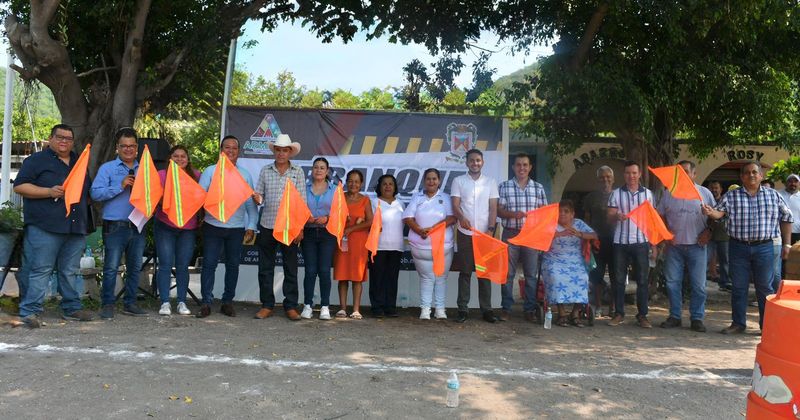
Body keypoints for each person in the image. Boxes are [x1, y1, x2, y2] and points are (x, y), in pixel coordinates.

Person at [13, 124, 96, 327]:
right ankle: (30, 312)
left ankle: (71, 308)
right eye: (60, 137)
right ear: (50, 138)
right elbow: (20, 186)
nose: (64, 141)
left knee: (69, 270)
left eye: (68, 138)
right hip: (45, 226)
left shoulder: (79, 162)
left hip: (75, 227)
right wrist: (48, 192)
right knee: (41, 269)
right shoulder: (36, 160)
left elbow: (87, 192)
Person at [703, 161, 793, 333]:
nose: (751, 175)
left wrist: (787, 243)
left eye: (754, 172)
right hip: (738, 247)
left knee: (765, 288)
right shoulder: (731, 196)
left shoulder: (773, 195)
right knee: (738, 286)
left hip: (764, 248)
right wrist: (710, 212)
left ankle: (766, 326)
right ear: (742, 176)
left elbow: (787, 219)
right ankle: (738, 324)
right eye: (747, 173)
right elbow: (718, 214)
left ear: (761, 176)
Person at [197, 135, 258, 318]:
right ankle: (206, 302)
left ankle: (227, 302)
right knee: (209, 265)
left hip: (236, 228)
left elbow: (250, 204)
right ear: (221, 151)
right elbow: (200, 196)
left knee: (233, 266)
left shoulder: (245, 175)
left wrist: (251, 226)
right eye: (227, 148)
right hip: (212, 225)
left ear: (238, 152)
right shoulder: (210, 171)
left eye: (234, 148)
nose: (230, 151)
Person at [91, 127, 148, 319]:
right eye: (124, 146)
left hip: (138, 224)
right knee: (111, 267)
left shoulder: (146, 169)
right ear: (117, 147)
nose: (128, 149)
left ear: (137, 148)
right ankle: (107, 304)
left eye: (132, 146)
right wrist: (120, 185)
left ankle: (129, 303)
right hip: (115, 225)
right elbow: (96, 193)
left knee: (134, 267)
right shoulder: (107, 168)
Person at [656, 161, 715, 333]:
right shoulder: (668, 194)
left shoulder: (704, 193)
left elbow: (716, 216)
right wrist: (667, 233)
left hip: (697, 246)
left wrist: (708, 231)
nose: (683, 174)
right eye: (679, 171)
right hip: (674, 247)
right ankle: (675, 316)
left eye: (686, 171)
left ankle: (697, 318)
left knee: (699, 285)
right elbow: (661, 215)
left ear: (694, 174)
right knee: (673, 283)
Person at [252, 134, 306, 321]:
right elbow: (260, 195)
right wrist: (257, 198)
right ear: (274, 151)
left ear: (290, 152)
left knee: (290, 267)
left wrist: (300, 228)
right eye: (278, 150)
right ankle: (267, 305)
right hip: (267, 224)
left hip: (290, 227)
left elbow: (302, 202)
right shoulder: (265, 171)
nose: (281, 153)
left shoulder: (297, 171)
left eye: (285, 150)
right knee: (265, 268)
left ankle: (290, 306)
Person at [497, 153, 548, 322]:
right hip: (510, 232)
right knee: (508, 273)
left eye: (525, 165)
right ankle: (506, 308)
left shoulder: (538, 188)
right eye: (518, 165)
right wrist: (514, 214)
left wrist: (541, 234)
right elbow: (499, 211)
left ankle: (529, 309)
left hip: (531, 235)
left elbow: (544, 213)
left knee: (531, 274)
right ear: (513, 167)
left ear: (530, 167)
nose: (522, 168)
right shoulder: (504, 186)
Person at [451, 149, 500, 324]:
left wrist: (491, 229)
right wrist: (461, 218)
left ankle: (486, 310)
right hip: (465, 234)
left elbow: (493, 208)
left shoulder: (490, 182)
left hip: (485, 234)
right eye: (472, 160)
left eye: (478, 160)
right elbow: (455, 205)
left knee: (484, 273)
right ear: (466, 163)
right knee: (465, 272)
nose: (475, 163)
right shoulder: (458, 181)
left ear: (483, 162)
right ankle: (462, 309)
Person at [607, 160, 655, 328]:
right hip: (620, 242)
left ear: (639, 174)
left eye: (634, 173)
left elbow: (651, 221)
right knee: (619, 280)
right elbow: (610, 215)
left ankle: (642, 315)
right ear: (624, 175)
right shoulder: (616, 193)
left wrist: (654, 245)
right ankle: (619, 313)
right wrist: (616, 216)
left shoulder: (648, 194)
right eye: (628, 173)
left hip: (641, 242)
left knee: (642, 280)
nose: (631, 176)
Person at [403, 168, 456, 320]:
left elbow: (452, 218)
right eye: (428, 179)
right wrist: (419, 230)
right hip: (421, 247)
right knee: (426, 278)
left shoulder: (445, 198)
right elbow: (408, 217)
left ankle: (440, 309)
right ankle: (425, 310)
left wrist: (434, 228)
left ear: (439, 181)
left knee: (440, 278)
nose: (431, 182)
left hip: (443, 246)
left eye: (434, 179)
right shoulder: (417, 197)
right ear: (424, 181)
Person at [154, 145, 200, 316]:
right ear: (170, 159)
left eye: (183, 156)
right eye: (176, 156)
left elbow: (202, 198)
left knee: (183, 266)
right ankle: (165, 302)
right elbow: (154, 198)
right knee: (165, 264)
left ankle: (181, 302)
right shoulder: (162, 175)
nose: (180, 159)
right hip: (165, 226)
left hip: (188, 228)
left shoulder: (196, 175)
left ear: (188, 160)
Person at [541, 200, 597, 327]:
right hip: (553, 258)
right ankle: (561, 313)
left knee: (583, 277)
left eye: (566, 211)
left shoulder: (578, 224)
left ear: (572, 214)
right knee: (556, 277)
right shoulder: (551, 224)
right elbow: (541, 238)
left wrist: (581, 234)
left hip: (575, 258)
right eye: (560, 211)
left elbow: (594, 235)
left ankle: (575, 313)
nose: (562, 214)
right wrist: (559, 234)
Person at [333, 170, 373, 319]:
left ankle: (356, 309)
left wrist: (351, 228)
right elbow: (333, 217)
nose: (353, 184)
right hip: (342, 241)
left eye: (356, 181)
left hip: (359, 242)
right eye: (350, 181)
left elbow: (370, 221)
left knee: (357, 277)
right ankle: (342, 308)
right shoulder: (340, 197)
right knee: (343, 276)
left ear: (361, 184)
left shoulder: (365, 200)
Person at [301, 157, 337, 320]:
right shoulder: (303, 188)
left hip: (327, 234)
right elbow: (297, 209)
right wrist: (305, 217)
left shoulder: (335, 190)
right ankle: (307, 305)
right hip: (308, 233)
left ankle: (324, 306)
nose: (319, 170)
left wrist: (328, 218)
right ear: (312, 170)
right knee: (310, 271)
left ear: (327, 171)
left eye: (322, 168)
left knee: (324, 271)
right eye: (316, 167)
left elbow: (340, 213)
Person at [368, 174, 405, 318]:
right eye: (384, 184)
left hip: (396, 247)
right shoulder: (373, 202)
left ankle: (390, 307)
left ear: (395, 187)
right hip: (378, 246)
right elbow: (369, 223)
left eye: (391, 184)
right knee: (377, 278)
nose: (388, 186)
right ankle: (376, 307)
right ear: (379, 187)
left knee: (392, 278)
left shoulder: (401, 204)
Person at [583, 165, 617, 317]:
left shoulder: (619, 195)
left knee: (616, 275)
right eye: (602, 177)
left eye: (608, 177)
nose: (605, 179)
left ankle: (613, 307)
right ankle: (597, 306)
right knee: (596, 274)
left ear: (613, 179)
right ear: (598, 180)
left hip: (616, 241)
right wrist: (589, 239)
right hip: (597, 240)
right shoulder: (591, 198)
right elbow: (586, 219)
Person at [706, 181, 731, 291]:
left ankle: (725, 282)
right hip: (708, 235)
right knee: (705, 258)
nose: (714, 190)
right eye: (712, 188)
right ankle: (703, 281)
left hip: (723, 235)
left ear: (721, 189)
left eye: (716, 188)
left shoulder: (726, 201)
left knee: (724, 260)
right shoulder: (706, 200)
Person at [778, 173, 800, 246]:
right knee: (782, 256)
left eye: (795, 181)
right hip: (779, 233)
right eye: (790, 181)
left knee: (796, 256)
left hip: (797, 233)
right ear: (786, 183)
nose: (793, 183)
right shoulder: (778, 194)